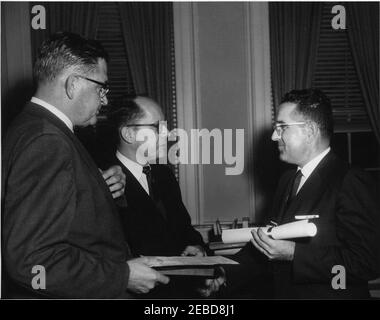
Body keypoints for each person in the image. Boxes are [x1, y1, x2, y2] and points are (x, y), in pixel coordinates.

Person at [1, 32, 169, 299]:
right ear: (73, 84)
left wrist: (95, 187)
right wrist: (123, 275)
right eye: (101, 88)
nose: (104, 100)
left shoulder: (30, 128)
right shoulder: (47, 140)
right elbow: (31, 262)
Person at [202, 88, 380, 299]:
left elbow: (367, 263)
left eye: (282, 127)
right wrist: (224, 273)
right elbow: (267, 243)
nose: (274, 135)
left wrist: (295, 255)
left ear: (310, 131)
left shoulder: (350, 180)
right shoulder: (287, 180)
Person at [107, 96, 208, 257]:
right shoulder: (105, 182)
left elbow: (185, 230)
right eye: (157, 127)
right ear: (128, 134)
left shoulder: (164, 175)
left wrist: (199, 249)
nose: (167, 134)